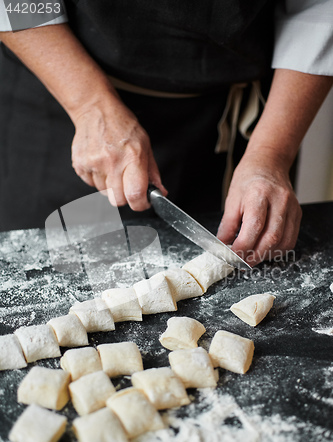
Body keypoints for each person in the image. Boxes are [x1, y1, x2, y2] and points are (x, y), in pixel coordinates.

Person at [0, 0, 332, 265]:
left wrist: (271, 152)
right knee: (57, 273)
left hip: (240, 120)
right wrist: (88, 105)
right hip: (63, 91)